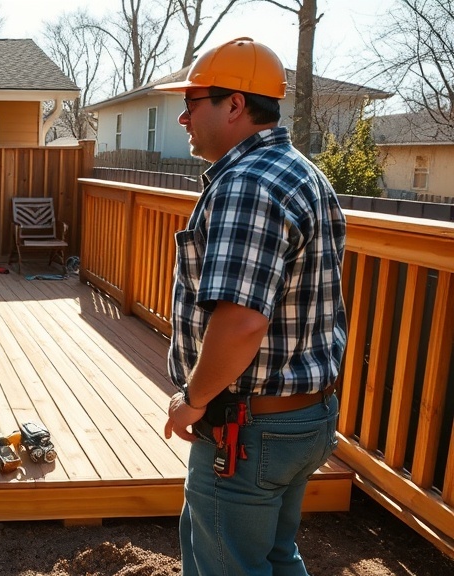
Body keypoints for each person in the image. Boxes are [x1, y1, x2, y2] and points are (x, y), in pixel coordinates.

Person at [154, 38, 348, 575]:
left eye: (193, 102)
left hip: (250, 427)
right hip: (305, 416)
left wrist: (193, 400)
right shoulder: (301, 172)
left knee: (226, 564)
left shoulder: (247, 185)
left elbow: (241, 322)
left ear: (235, 105)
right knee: (275, 557)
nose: (184, 116)